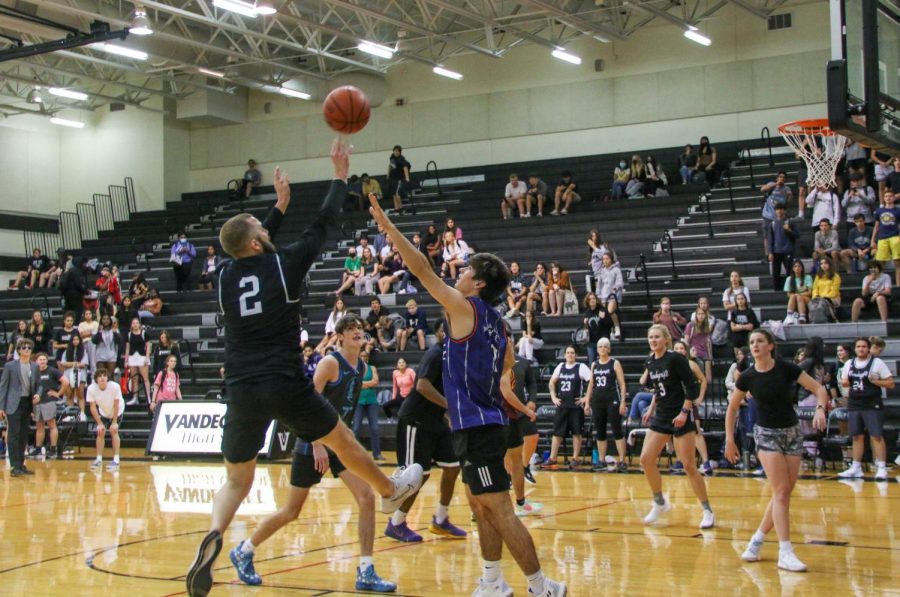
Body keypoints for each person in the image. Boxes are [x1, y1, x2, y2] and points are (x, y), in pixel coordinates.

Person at [185, 141, 423, 597]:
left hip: (238, 387)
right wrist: (339, 176)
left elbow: (246, 246)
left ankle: (215, 534)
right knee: (343, 440)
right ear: (258, 241)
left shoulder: (224, 277)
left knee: (236, 479)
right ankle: (390, 487)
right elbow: (322, 224)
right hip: (282, 381)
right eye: (262, 228)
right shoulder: (284, 265)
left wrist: (276, 208)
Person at [367, 192, 566, 597]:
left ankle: (542, 586)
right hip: (479, 422)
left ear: (476, 283)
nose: (456, 273)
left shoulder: (467, 309)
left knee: (500, 510)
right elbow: (506, 367)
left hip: (478, 425)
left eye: (464, 270)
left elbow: (421, 269)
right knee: (481, 507)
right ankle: (493, 581)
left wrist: (390, 230)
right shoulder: (498, 323)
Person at [230, 315, 398, 592]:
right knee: (291, 511)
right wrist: (317, 443)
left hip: (338, 447)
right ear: (340, 336)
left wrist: (347, 445)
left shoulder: (363, 368)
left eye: (360, 328)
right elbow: (308, 404)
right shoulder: (330, 363)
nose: (357, 332)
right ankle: (244, 550)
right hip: (313, 444)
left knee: (366, 497)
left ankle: (366, 570)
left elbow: (344, 413)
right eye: (351, 329)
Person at [725, 329, 828, 572]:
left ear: (770, 345)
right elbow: (732, 409)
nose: (755, 345)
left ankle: (757, 540)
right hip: (766, 434)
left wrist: (821, 409)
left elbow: (819, 389)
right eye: (752, 342)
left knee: (784, 493)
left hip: (792, 432)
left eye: (760, 341)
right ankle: (785, 551)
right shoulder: (747, 377)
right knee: (780, 490)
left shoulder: (787, 368)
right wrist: (730, 440)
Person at [386, 319, 468, 542]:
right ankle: (396, 523)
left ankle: (440, 520)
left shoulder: (456, 356)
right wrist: (449, 406)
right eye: (445, 329)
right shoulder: (435, 353)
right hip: (416, 420)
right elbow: (422, 386)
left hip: (436, 421)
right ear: (441, 333)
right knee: (418, 475)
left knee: (452, 467)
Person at [639, 324, 715, 529]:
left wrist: (684, 412)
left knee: (688, 465)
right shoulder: (650, 362)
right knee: (646, 459)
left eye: (657, 337)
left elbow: (691, 386)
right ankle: (660, 502)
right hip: (662, 415)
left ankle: (707, 510)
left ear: (666, 339)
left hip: (680, 414)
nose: (653, 340)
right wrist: (651, 409)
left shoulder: (676, 359)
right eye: (650, 337)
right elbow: (658, 389)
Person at [837, 337, 895, 481]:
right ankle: (856, 467)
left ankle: (881, 467)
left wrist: (876, 381)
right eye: (858, 346)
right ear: (855, 349)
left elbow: (891, 383)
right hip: (854, 403)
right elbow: (843, 382)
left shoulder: (877, 363)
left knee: (876, 435)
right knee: (856, 436)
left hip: (872, 403)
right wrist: (845, 382)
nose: (861, 349)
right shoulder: (849, 363)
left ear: (868, 348)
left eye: (864, 346)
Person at [544, 345, 591, 469]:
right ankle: (553, 458)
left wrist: (586, 398)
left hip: (576, 406)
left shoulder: (581, 367)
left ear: (576, 355)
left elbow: (592, 381)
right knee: (557, 432)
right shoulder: (560, 367)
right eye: (568, 353)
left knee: (577, 432)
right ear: (565, 355)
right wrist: (553, 397)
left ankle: (575, 458)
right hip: (563, 405)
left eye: (572, 353)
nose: (570, 355)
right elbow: (551, 382)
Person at [584, 338, 627, 472]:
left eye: (605, 346)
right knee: (600, 431)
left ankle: (622, 460)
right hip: (597, 401)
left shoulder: (614, 363)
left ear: (609, 349)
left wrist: (623, 402)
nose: (602, 348)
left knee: (616, 429)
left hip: (612, 400)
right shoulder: (594, 365)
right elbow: (591, 384)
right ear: (597, 349)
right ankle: (602, 460)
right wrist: (587, 402)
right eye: (600, 346)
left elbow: (622, 384)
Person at [0, 339, 40, 476]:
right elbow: (3, 386)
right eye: (24, 348)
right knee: (14, 434)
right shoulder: (10, 366)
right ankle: (14, 466)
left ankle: (21, 465)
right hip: (13, 404)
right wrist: (1, 407)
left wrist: (38, 395)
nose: (26, 350)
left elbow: (39, 385)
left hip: (27, 403)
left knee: (23, 435)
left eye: (29, 347)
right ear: (18, 350)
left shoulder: (34, 366)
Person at [509, 349, 541, 489]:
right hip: (503, 410)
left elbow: (532, 383)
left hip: (521, 408)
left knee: (533, 436)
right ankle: (508, 474)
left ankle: (524, 466)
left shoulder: (523, 362)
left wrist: (532, 400)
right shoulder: (494, 360)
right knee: (506, 446)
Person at [30, 352, 69, 459]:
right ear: (36, 361)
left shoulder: (52, 370)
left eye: (44, 359)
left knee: (52, 425)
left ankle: (53, 449)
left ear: (47, 360)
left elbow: (65, 382)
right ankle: (38, 449)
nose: (42, 361)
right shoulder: (33, 372)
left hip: (49, 401)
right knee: (39, 426)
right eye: (40, 359)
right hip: (36, 402)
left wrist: (58, 394)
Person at [87, 368, 125, 472]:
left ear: (107, 378)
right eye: (100, 376)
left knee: (114, 431)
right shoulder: (91, 389)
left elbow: (116, 405)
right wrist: (99, 423)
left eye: (104, 375)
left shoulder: (115, 387)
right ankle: (98, 459)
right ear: (96, 379)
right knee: (100, 432)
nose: (102, 378)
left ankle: (116, 460)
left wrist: (114, 422)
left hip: (117, 411)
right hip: (103, 412)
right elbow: (92, 407)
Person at [351, 351, 383, 461]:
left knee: (375, 428)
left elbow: (376, 382)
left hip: (371, 401)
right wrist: (368, 383)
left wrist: (362, 384)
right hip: (358, 401)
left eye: (365, 356)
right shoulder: (354, 368)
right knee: (356, 428)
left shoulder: (372, 368)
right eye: (361, 356)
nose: (363, 357)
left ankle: (377, 453)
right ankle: (354, 453)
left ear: (367, 358)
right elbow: (354, 384)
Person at [871, 190, 900, 287]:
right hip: (882, 238)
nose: (888, 198)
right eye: (886, 196)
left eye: (890, 196)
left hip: (895, 237)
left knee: (897, 262)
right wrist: (872, 240)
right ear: (884, 198)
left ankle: (898, 284)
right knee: (880, 263)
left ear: (893, 198)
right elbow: (876, 226)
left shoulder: (898, 210)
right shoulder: (879, 211)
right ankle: (880, 285)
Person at [766, 204, 798, 290]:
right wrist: (770, 252)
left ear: (785, 211)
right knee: (775, 272)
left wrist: (789, 230)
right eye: (777, 209)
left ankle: (790, 288)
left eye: (781, 209)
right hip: (776, 251)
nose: (779, 211)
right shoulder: (772, 224)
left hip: (787, 250)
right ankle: (776, 289)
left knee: (789, 272)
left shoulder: (790, 222)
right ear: (775, 211)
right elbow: (770, 239)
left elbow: (797, 235)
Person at [595, 254, 623, 337]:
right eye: (603, 259)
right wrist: (598, 294)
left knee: (610, 311)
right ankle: (611, 329)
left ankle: (617, 327)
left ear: (611, 259)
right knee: (604, 314)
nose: (605, 261)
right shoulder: (602, 271)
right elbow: (599, 284)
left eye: (607, 259)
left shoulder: (616, 270)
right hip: (604, 295)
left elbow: (619, 282)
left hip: (613, 295)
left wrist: (615, 288)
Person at [125, 318, 151, 405]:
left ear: (139, 324)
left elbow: (148, 346)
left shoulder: (144, 334)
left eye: (137, 323)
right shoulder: (129, 335)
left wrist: (147, 357)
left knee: (145, 378)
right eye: (133, 323)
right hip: (132, 357)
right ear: (131, 325)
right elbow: (127, 348)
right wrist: (126, 360)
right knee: (134, 378)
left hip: (142, 357)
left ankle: (149, 398)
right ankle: (135, 398)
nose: (135, 325)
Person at [583, 292, 613, 364]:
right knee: (592, 363)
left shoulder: (602, 310)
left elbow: (610, 323)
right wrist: (585, 324)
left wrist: (603, 318)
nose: (592, 300)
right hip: (591, 341)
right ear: (587, 301)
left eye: (594, 298)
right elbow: (586, 328)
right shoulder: (587, 312)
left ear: (596, 300)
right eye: (590, 299)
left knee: (604, 361)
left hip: (602, 340)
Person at [92, 315, 122, 383]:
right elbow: (94, 341)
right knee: (100, 376)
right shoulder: (97, 330)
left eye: (107, 319)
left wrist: (115, 333)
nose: (106, 320)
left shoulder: (115, 330)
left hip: (111, 356)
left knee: (110, 376)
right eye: (104, 319)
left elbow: (119, 341)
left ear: (110, 321)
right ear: (101, 321)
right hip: (100, 356)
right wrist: (99, 332)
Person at [783, 260, 813, 324]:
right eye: (795, 266)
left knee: (799, 297)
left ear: (802, 268)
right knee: (793, 296)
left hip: (806, 299)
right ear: (793, 269)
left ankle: (802, 317)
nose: (797, 268)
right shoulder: (789, 279)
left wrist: (798, 294)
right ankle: (789, 316)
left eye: (799, 266)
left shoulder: (808, 277)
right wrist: (796, 295)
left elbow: (810, 293)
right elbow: (788, 294)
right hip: (794, 299)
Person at [387, 145, 412, 214]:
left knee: (397, 193)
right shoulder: (392, 157)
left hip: (399, 178)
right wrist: (388, 174)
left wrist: (407, 177)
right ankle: (396, 208)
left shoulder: (401, 159)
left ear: (400, 152)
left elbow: (405, 168)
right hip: (393, 178)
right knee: (393, 194)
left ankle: (400, 208)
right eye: (395, 151)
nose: (396, 152)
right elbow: (390, 165)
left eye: (397, 151)